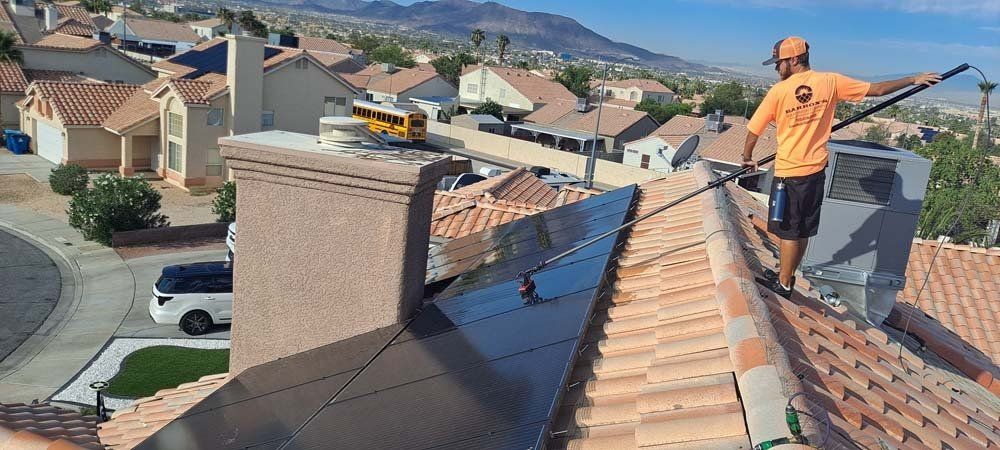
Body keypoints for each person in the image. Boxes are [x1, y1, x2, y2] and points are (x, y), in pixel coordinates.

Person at [743, 36, 940, 298]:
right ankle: (786, 275)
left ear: (793, 60)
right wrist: (912, 79)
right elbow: (878, 90)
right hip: (816, 171)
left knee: (789, 231)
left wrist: (747, 157)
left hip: (790, 172)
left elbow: (753, 130)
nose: (777, 69)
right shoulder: (831, 82)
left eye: (778, 63)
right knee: (802, 230)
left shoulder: (779, 92)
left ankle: (784, 285)